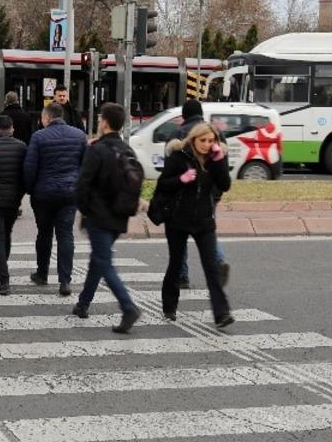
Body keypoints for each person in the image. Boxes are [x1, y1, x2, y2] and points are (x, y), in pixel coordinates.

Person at [73, 103, 143, 332]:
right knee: (98, 259)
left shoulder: (97, 149)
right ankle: (83, 303)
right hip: (120, 215)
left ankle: (128, 307)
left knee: (103, 262)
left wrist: (84, 209)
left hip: (99, 216)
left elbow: (83, 184)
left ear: (104, 122)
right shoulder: (127, 150)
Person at [157, 121, 234, 327]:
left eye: (211, 141)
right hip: (177, 220)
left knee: (211, 267)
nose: (207, 145)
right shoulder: (179, 156)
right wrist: (181, 179)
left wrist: (219, 160)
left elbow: (225, 185)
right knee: (175, 263)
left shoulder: (214, 158)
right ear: (193, 139)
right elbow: (163, 184)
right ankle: (169, 307)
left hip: (204, 221)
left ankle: (222, 314)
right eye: (203, 140)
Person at [23, 102, 88, 295]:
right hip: (69, 194)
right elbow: (86, 165)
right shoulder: (79, 135)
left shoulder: (38, 137)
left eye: (42, 118)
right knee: (65, 234)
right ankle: (65, 281)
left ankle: (42, 273)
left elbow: (29, 168)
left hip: (44, 194)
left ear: (47, 118)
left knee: (44, 233)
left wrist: (30, 190)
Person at [170, 99, 230, 289]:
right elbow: (223, 162)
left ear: (184, 115)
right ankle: (219, 260)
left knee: (180, 234)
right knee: (207, 230)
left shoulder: (179, 133)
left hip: (184, 193)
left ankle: (182, 275)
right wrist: (218, 192)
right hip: (211, 192)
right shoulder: (214, 132)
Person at [0, 114, 27, 295]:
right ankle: (3, 270)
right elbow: (26, 173)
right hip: (13, 199)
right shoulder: (22, 147)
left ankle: (4, 279)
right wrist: (20, 194)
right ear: (12, 129)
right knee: (6, 233)